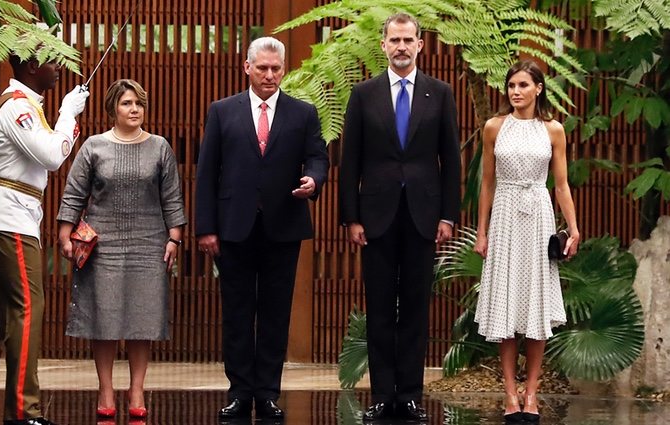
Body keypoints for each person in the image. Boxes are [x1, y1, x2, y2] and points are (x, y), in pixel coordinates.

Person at [0, 54, 89, 425]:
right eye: (52, 62)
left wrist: (63, 117)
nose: (59, 68)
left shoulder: (28, 106)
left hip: (12, 214)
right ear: (30, 67)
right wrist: (67, 113)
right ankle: (22, 411)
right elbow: (51, 156)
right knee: (28, 309)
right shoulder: (18, 107)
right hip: (9, 217)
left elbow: (51, 153)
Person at [195, 36, 329, 420]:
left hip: (283, 227)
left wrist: (314, 181)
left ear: (283, 70)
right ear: (247, 68)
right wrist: (207, 227)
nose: (270, 75)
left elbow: (318, 158)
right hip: (233, 228)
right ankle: (239, 391)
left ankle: (268, 392)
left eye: (276, 69)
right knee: (236, 313)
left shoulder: (303, 113)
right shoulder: (222, 111)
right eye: (263, 68)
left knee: (275, 314)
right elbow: (207, 173)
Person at [338, 13, 461, 422]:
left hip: (424, 216)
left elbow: (452, 160)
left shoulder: (439, 93)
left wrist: (448, 214)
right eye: (395, 40)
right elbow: (349, 160)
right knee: (378, 309)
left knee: (413, 308)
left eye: (409, 40)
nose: (402, 47)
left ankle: (409, 395)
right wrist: (351, 218)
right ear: (384, 44)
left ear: (421, 45)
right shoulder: (363, 94)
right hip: (375, 218)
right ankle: (382, 395)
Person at [56, 79, 187, 420]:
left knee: (142, 320)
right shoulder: (94, 147)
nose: (134, 110)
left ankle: (138, 389)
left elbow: (171, 196)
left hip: (149, 243)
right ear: (113, 107)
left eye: (139, 104)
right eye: (127, 103)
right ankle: (105, 388)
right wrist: (65, 232)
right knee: (105, 319)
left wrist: (174, 238)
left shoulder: (160, 147)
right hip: (103, 245)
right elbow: (74, 193)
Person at [472, 60, 580, 423]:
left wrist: (574, 227)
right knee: (505, 307)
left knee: (535, 308)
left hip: (539, 217)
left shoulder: (554, 130)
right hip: (503, 216)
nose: (515, 92)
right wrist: (482, 231)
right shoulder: (493, 127)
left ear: (538, 88)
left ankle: (531, 393)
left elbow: (561, 184)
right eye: (511, 86)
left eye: (522, 85)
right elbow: (486, 182)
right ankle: (509, 394)